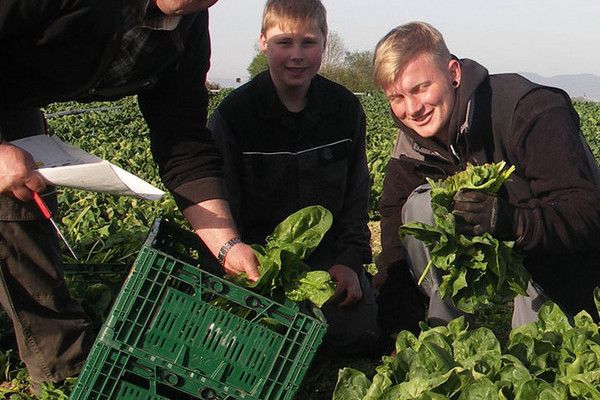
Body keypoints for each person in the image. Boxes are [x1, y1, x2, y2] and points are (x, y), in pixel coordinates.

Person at [0, 0, 260, 392]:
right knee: (11, 207)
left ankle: (65, 365)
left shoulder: (185, 28)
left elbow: (182, 142)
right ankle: (66, 375)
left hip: (12, 94)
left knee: (24, 200)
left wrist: (227, 245)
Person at [371, 21, 600, 338]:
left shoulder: (527, 110)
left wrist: (509, 220)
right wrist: (398, 326)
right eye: (396, 97)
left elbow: (586, 211)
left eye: (421, 88)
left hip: (561, 255)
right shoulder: (411, 144)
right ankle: (450, 331)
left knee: (541, 354)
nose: (412, 108)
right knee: (419, 208)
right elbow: (395, 235)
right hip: (502, 252)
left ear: (453, 74)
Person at [207, 0, 380, 356]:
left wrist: (348, 261)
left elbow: (355, 198)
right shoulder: (235, 115)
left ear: (324, 43)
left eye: (308, 43)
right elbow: (225, 202)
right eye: (284, 43)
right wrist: (236, 261)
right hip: (257, 264)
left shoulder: (344, 109)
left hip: (325, 264)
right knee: (242, 345)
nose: (296, 55)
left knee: (350, 329)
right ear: (263, 42)